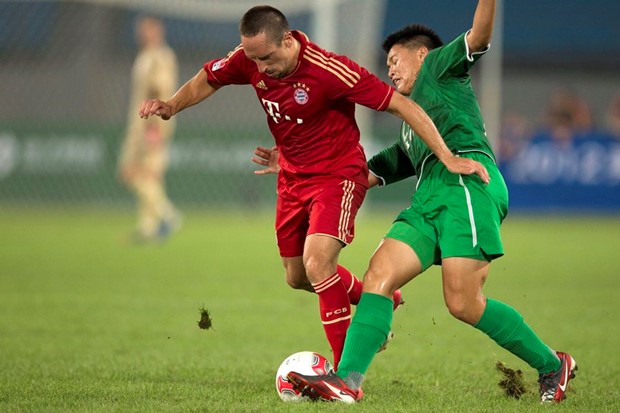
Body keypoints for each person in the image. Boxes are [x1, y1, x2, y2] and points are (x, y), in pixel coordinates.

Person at [138, 5, 489, 368]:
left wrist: (447, 155)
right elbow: (209, 77)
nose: (259, 68)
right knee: (297, 276)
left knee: (319, 263)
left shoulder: (331, 70)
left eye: (266, 58)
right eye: (253, 59)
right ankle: (385, 300)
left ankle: (344, 373)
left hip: (338, 176)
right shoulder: (250, 57)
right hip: (293, 178)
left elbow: (402, 106)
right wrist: (171, 106)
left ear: (287, 40)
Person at [285, 0, 577, 404]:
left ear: (421, 53)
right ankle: (347, 382)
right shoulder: (410, 125)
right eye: (386, 63)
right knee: (379, 275)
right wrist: (298, 168)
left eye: (395, 59)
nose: (389, 69)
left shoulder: (439, 67)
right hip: (427, 199)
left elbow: (479, 36)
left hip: (466, 186)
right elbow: (380, 168)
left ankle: (551, 364)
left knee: (462, 302)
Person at [118, 15, 181, 243]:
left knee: (135, 172)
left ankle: (167, 215)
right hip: (139, 124)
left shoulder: (160, 57)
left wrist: (155, 127)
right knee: (146, 175)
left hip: (151, 124)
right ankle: (149, 226)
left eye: (148, 30)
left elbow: (160, 89)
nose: (143, 34)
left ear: (159, 31)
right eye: (141, 30)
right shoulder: (145, 56)